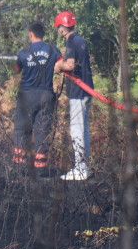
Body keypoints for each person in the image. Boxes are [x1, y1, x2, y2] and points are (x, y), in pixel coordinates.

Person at [13, 21, 61, 172]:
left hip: (27, 95)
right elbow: (62, 65)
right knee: (42, 131)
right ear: (43, 34)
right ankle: (41, 170)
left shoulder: (24, 52)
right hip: (46, 96)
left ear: (30, 34)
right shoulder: (53, 50)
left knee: (22, 130)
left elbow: (16, 70)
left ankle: (20, 169)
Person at [53, 10, 93, 181]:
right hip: (87, 90)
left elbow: (69, 65)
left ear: (62, 28)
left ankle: (80, 168)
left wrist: (58, 66)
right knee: (84, 130)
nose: (59, 31)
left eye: (59, 28)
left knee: (76, 129)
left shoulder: (70, 42)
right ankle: (85, 167)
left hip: (78, 92)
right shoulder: (80, 40)